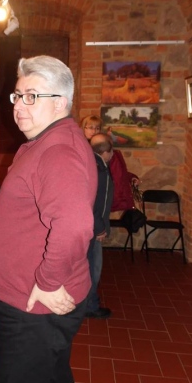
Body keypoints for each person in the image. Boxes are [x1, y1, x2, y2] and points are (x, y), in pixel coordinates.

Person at [0, 56, 97, 383]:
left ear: (60, 102)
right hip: (38, 307)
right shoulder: (46, 141)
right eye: (17, 95)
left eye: (32, 96)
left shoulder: (59, 151)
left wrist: (45, 283)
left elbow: (75, 225)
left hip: (34, 309)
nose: (19, 105)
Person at [86, 133, 114, 319]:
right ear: (107, 151)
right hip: (93, 229)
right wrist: (100, 227)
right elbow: (94, 202)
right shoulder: (99, 169)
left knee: (90, 267)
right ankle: (90, 306)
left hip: (91, 226)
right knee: (93, 269)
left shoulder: (93, 163)